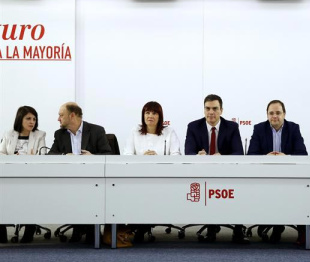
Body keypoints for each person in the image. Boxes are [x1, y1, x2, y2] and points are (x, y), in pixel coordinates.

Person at [184, 94, 248, 243]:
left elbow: (239, 153)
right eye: (207, 108)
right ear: (204, 110)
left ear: (221, 110)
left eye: (214, 108)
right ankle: (211, 229)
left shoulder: (232, 127)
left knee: (239, 188)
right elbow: (188, 152)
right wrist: (198, 156)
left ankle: (238, 230)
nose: (211, 112)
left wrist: (223, 157)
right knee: (207, 189)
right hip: (203, 172)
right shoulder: (193, 126)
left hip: (227, 172)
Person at [48, 102, 112, 244]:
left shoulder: (96, 131)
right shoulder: (59, 134)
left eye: (61, 115)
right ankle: (80, 228)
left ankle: (90, 230)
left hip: (93, 180)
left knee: (89, 192)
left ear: (72, 116)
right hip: (69, 180)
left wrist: (93, 158)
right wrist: (65, 155)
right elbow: (51, 155)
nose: (58, 119)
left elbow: (109, 154)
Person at [247, 100, 307, 243]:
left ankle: (283, 226)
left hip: (289, 176)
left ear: (284, 114)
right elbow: (251, 155)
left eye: (278, 113)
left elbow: (302, 154)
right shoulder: (259, 129)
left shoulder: (293, 128)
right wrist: (265, 158)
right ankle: (275, 223)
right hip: (264, 176)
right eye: (271, 113)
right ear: (267, 115)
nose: (275, 116)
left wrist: (285, 158)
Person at [123, 101, 181, 242]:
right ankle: (139, 226)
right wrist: (142, 159)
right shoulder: (135, 131)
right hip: (139, 177)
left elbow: (176, 156)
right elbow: (127, 155)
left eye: (154, 113)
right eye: (147, 112)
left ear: (160, 116)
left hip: (163, 177)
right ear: (143, 115)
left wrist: (159, 158)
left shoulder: (169, 132)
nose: (150, 116)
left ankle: (141, 227)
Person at [0, 106, 46, 243]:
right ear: (20, 119)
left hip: (32, 175)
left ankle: (29, 230)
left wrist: (33, 158)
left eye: (34, 119)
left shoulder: (40, 134)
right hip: (10, 174)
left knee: (30, 196)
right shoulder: (9, 134)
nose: (32, 122)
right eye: (28, 118)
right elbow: (1, 153)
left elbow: (43, 155)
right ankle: (1, 232)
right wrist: (12, 157)